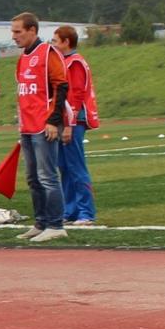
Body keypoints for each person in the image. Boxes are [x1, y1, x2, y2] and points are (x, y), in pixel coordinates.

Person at [10, 12, 70, 244]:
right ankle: (41, 222)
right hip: (27, 126)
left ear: (32, 30)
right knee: (33, 178)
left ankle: (56, 224)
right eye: (13, 31)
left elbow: (61, 87)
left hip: (43, 125)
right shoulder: (23, 58)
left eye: (18, 31)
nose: (14, 36)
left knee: (47, 177)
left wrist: (54, 120)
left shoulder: (48, 53)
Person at [53, 26, 100, 225]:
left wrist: (70, 124)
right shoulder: (63, 62)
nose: (53, 44)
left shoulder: (75, 63)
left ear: (66, 42)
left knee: (76, 166)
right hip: (63, 120)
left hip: (74, 120)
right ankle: (70, 210)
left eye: (55, 41)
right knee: (63, 165)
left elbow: (76, 94)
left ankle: (86, 212)